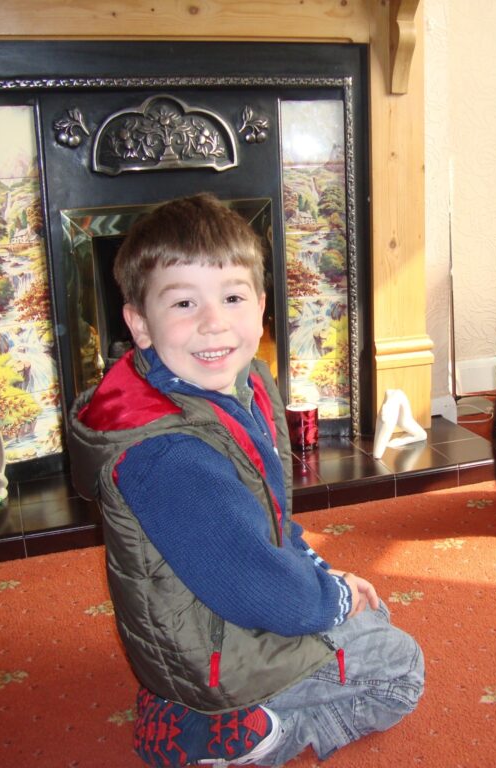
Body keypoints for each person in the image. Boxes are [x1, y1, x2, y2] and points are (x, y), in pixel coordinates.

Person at [67, 193, 424, 767]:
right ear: (139, 324)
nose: (214, 323)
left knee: (366, 608)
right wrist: (331, 597)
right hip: (219, 650)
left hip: (207, 617)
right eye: (184, 302)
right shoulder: (170, 455)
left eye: (231, 298)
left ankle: (190, 704)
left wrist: (321, 573)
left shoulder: (245, 383)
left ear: (260, 308)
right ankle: (243, 730)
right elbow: (260, 587)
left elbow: (265, 519)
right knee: (401, 668)